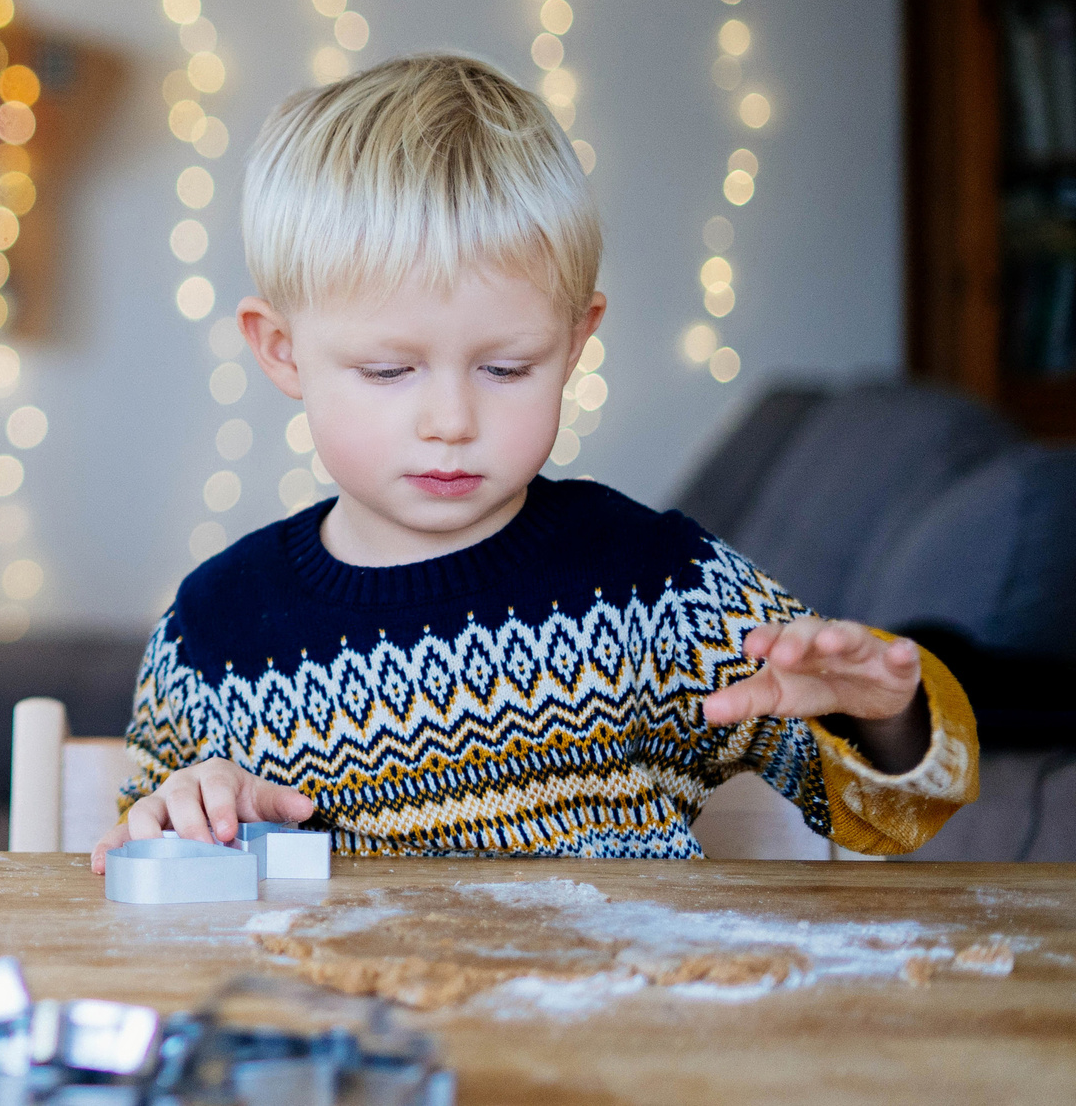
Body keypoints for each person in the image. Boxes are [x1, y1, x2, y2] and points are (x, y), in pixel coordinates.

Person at [96, 54, 977, 867]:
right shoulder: (215, 628)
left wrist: (890, 718)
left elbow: (895, 816)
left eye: (506, 368)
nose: (451, 419)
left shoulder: (656, 585)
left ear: (573, 340)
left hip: (619, 1029)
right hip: (347, 1033)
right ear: (282, 350)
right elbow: (142, 852)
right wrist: (188, 817)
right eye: (389, 370)